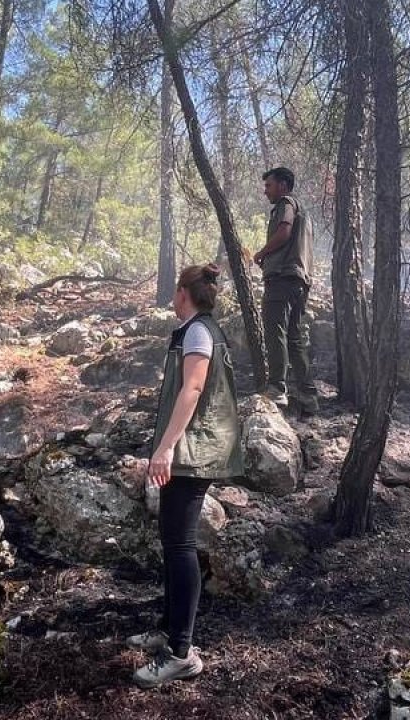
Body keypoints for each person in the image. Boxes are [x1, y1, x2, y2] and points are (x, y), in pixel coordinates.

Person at [128, 263, 244, 689]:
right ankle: (167, 628)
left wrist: (166, 447)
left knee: (180, 546)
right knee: (172, 539)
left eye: (176, 290)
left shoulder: (198, 331)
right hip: (190, 448)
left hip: (193, 451)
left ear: (183, 293)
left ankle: (181, 653)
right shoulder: (199, 328)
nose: (173, 297)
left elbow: (192, 390)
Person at [252, 166, 317, 417]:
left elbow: (283, 231)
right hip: (300, 281)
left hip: (282, 278)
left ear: (283, 185)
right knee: (296, 337)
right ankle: (308, 396)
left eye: (269, 185)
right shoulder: (305, 213)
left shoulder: (286, 203)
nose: (265, 190)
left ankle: (277, 387)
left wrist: (262, 253)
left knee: (274, 329)